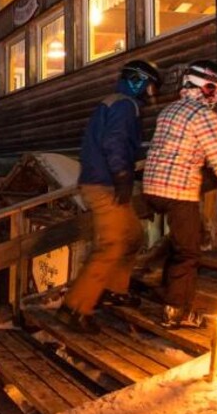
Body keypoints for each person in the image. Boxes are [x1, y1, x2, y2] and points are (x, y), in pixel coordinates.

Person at [143, 60, 217, 329]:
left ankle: (165, 288)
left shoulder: (169, 110)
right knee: (188, 252)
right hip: (178, 189)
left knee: (180, 243)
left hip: (153, 187)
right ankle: (177, 311)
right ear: (200, 86)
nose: (216, 96)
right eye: (212, 89)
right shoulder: (204, 116)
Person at [58, 60, 161, 332]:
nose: (151, 93)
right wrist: (122, 175)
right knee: (112, 244)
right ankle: (74, 308)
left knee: (133, 236)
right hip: (104, 184)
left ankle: (114, 289)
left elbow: (121, 143)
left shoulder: (117, 103)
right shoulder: (125, 105)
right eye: (150, 86)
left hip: (106, 182)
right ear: (138, 81)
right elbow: (114, 143)